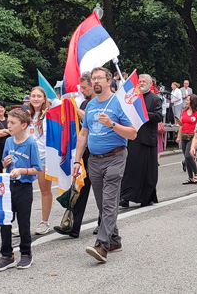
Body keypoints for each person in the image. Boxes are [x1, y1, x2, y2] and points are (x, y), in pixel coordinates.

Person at [72, 67, 137, 263]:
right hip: (94, 160)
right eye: (93, 79)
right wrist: (77, 160)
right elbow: (83, 135)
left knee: (109, 203)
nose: (96, 81)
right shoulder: (90, 105)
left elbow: (132, 133)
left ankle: (102, 246)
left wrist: (111, 124)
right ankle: (115, 239)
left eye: (100, 78)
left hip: (115, 157)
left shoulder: (119, 103)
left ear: (110, 81)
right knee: (102, 204)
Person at [0, 108, 42, 272]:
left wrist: (22, 171)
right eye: (8, 121)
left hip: (24, 187)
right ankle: (7, 255)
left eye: (13, 123)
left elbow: (37, 169)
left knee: (23, 221)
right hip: (8, 185)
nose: (8, 125)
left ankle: (26, 253)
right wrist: (5, 163)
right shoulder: (8, 142)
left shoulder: (30, 143)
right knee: (4, 220)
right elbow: (4, 162)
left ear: (23, 125)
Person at [54, 72, 97, 238]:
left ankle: (105, 225)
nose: (83, 90)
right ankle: (73, 225)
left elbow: (92, 121)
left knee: (102, 192)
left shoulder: (100, 102)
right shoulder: (86, 102)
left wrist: (77, 111)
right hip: (85, 151)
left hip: (99, 151)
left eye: (85, 87)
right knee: (80, 187)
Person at [120, 74, 162, 208]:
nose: (142, 83)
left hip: (147, 140)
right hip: (133, 138)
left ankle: (146, 197)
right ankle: (125, 197)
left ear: (150, 84)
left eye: (144, 81)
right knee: (130, 169)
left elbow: (158, 116)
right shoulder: (133, 97)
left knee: (147, 171)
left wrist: (143, 113)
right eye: (140, 81)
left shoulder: (155, 99)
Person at [28, 87, 53, 235]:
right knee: (23, 191)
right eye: (33, 96)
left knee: (44, 190)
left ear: (44, 99)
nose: (36, 99)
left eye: (39, 96)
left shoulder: (48, 115)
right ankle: (23, 222)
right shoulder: (26, 114)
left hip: (43, 157)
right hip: (26, 158)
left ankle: (44, 222)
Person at [176, 94, 197, 184]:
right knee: (186, 158)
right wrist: (178, 136)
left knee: (188, 155)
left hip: (193, 136)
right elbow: (182, 124)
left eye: (188, 100)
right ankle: (190, 177)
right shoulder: (184, 111)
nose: (186, 101)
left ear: (192, 101)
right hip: (184, 135)